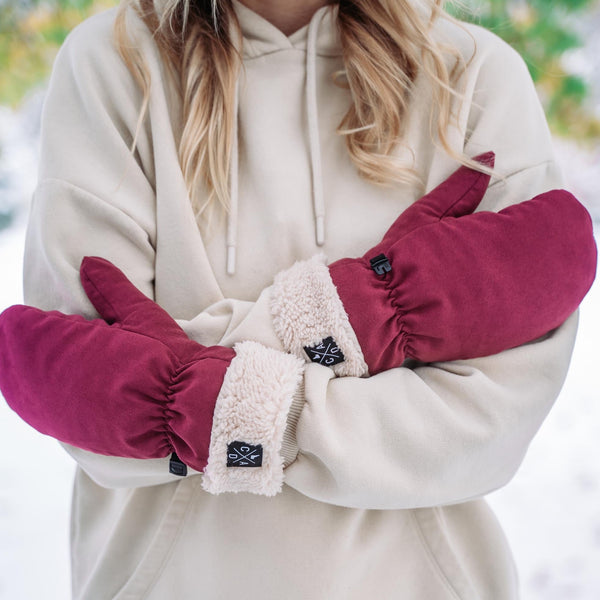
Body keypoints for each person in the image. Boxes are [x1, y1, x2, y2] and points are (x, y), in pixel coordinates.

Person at [0, 0, 596, 597]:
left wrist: (203, 398)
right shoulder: (114, 61)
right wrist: (363, 323)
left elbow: (488, 422)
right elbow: (86, 401)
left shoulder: (472, 74)